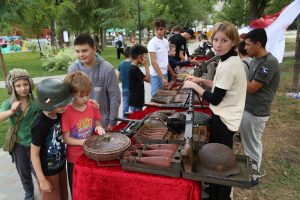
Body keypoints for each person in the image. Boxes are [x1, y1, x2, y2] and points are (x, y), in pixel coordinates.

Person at [183, 21, 247, 200]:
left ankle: (221, 196)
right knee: (217, 160)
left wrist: (194, 87)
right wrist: (201, 81)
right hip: (226, 116)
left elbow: (216, 98)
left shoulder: (229, 65)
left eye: (224, 40)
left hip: (225, 120)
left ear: (233, 42)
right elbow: (221, 87)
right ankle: (214, 191)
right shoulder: (230, 60)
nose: (218, 45)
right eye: (215, 40)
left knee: (220, 164)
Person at [240, 28, 280, 184]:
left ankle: (253, 177)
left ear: (258, 44)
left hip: (256, 112)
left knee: (252, 145)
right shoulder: (256, 59)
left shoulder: (268, 63)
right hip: (248, 108)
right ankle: (251, 172)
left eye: (249, 44)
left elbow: (251, 88)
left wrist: (237, 75)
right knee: (249, 143)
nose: (245, 47)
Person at [62, 71, 105, 194]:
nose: (86, 98)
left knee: (91, 188)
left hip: (91, 154)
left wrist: (99, 128)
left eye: (88, 94)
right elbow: (67, 139)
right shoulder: (67, 112)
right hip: (74, 159)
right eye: (81, 96)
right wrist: (85, 141)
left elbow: (97, 123)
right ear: (71, 95)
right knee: (77, 190)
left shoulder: (92, 106)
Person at [31, 78, 74, 200]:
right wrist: (41, 179)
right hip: (48, 173)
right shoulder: (40, 125)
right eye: (62, 104)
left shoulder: (59, 113)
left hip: (60, 167)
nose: (66, 106)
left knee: (63, 196)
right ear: (49, 103)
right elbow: (34, 154)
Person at [68, 33, 121, 132]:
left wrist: (112, 121)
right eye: (77, 51)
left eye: (84, 51)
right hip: (80, 125)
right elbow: (69, 97)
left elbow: (115, 96)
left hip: (102, 123)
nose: (81, 55)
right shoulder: (73, 69)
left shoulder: (107, 69)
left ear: (94, 49)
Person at [0, 69, 38, 200]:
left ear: (30, 84)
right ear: (12, 87)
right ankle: (29, 193)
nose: (23, 88)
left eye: (25, 84)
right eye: (18, 85)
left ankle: (44, 191)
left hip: (34, 143)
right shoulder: (9, 103)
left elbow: (50, 108)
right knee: (24, 172)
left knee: (38, 170)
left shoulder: (35, 102)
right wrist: (11, 111)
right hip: (18, 144)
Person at [147, 18, 176, 96]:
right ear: (154, 30)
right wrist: (162, 77)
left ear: (164, 29)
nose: (159, 31)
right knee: (155, 96)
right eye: (157, 29)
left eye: (161, 29)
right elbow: (153, 62)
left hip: (165, 73)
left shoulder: (166, 42)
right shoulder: (152, 43)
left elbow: (165, 60)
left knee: (163, 96)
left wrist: (172, 72)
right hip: (156, 75)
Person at [128, 44, 150, 112]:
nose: (145, 59)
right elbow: (148, 79)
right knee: (136, 120)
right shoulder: (134, 69)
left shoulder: (135, 68)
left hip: (137, 101)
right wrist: (146, 65)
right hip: (135, 102)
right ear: (139, 57)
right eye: (144, 56)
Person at [116, 46, 132, 117]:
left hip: (124, 88)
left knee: (125, 105)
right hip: (133, 89)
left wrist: (122, 79)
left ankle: (124, 120)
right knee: (133, 106)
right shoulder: (133, 64)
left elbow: (117, 77)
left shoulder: (121, 64)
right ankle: (133, 119)